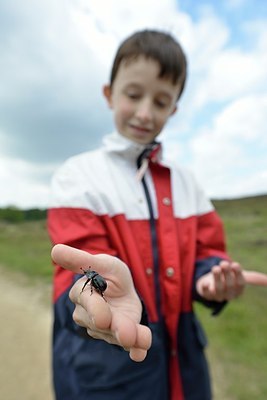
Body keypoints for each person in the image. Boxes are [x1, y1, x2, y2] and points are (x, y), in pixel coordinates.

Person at [48, 29, 267, 400]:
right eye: (134, 95)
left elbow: (206, 253)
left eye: (161, 101)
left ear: (174, 109)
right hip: (104, 378)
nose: (146, 112)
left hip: (185, 369)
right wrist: (85, 300)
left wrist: (209, 279)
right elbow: (73, 278)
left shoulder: (188, 183)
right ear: (109, 93)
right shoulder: (77, 177)